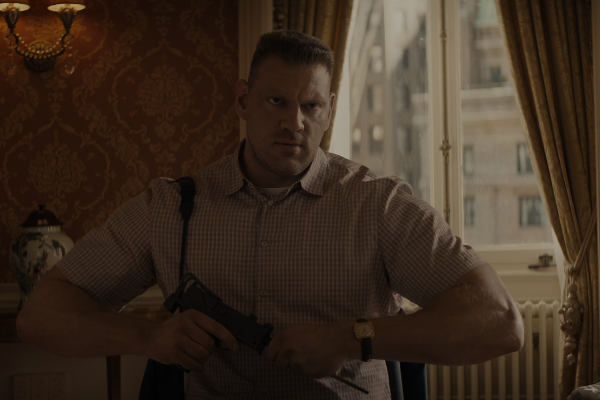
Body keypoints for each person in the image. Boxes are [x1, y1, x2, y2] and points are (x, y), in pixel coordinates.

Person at [17, 30, 524, 399]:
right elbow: (40, 316)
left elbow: (501, 322)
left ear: (329, 109)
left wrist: (353, 339)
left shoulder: (378, 205)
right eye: (277, 101)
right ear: (243, 100)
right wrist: (147, 337)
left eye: (311, 107)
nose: (294, 123)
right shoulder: (169, 207)